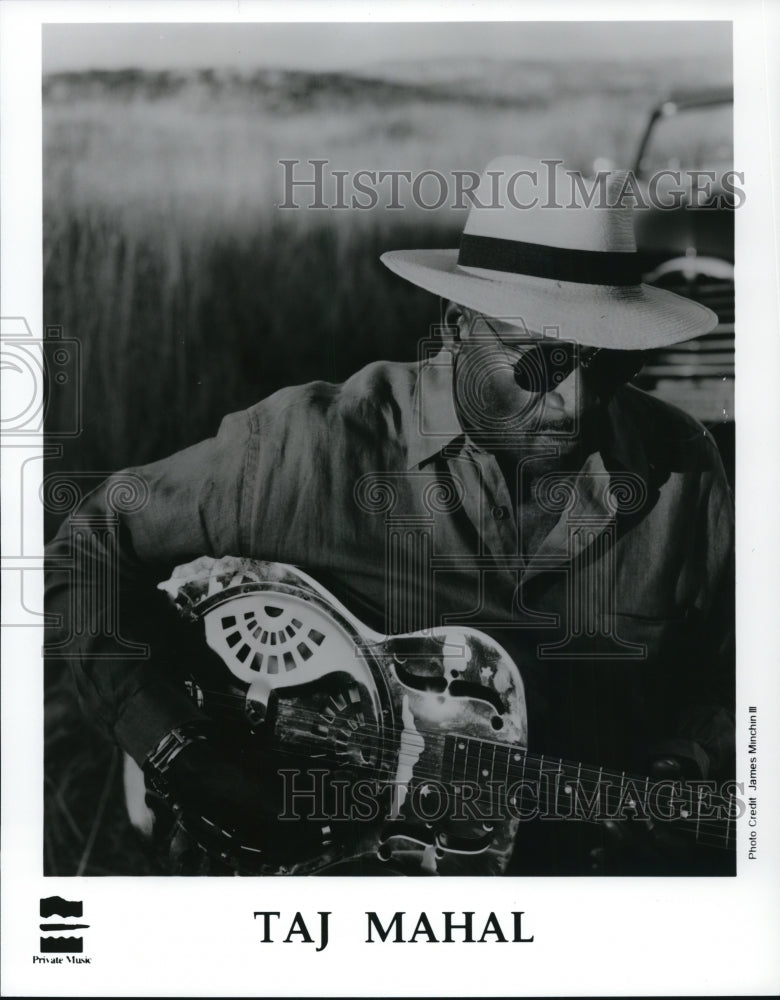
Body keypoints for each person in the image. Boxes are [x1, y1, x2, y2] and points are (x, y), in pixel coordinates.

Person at [45, 156, 735, 875]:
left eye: (610, 364)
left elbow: (736, 672)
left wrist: (682, 770)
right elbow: (84, 549)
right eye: (541, 361)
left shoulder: (683, 469)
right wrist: (176, 747)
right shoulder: (311, 448)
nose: (578, 401)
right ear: (458, 325)